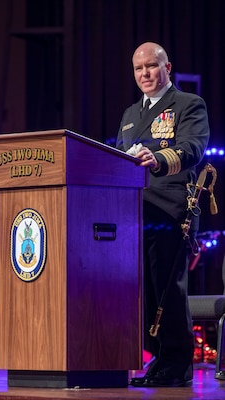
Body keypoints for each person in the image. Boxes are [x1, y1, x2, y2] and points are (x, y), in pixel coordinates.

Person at [116, 42, 210, 387]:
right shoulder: (130, 114)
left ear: (167, 67)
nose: (145, 74)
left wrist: (158, 159)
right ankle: (158, 359)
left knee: (168, 288)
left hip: (172, 210)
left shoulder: (188, 104)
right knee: (144, 291)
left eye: (152, 67)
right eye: (139, 69)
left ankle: (176, 364)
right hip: (135, 212)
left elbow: (193, 148)